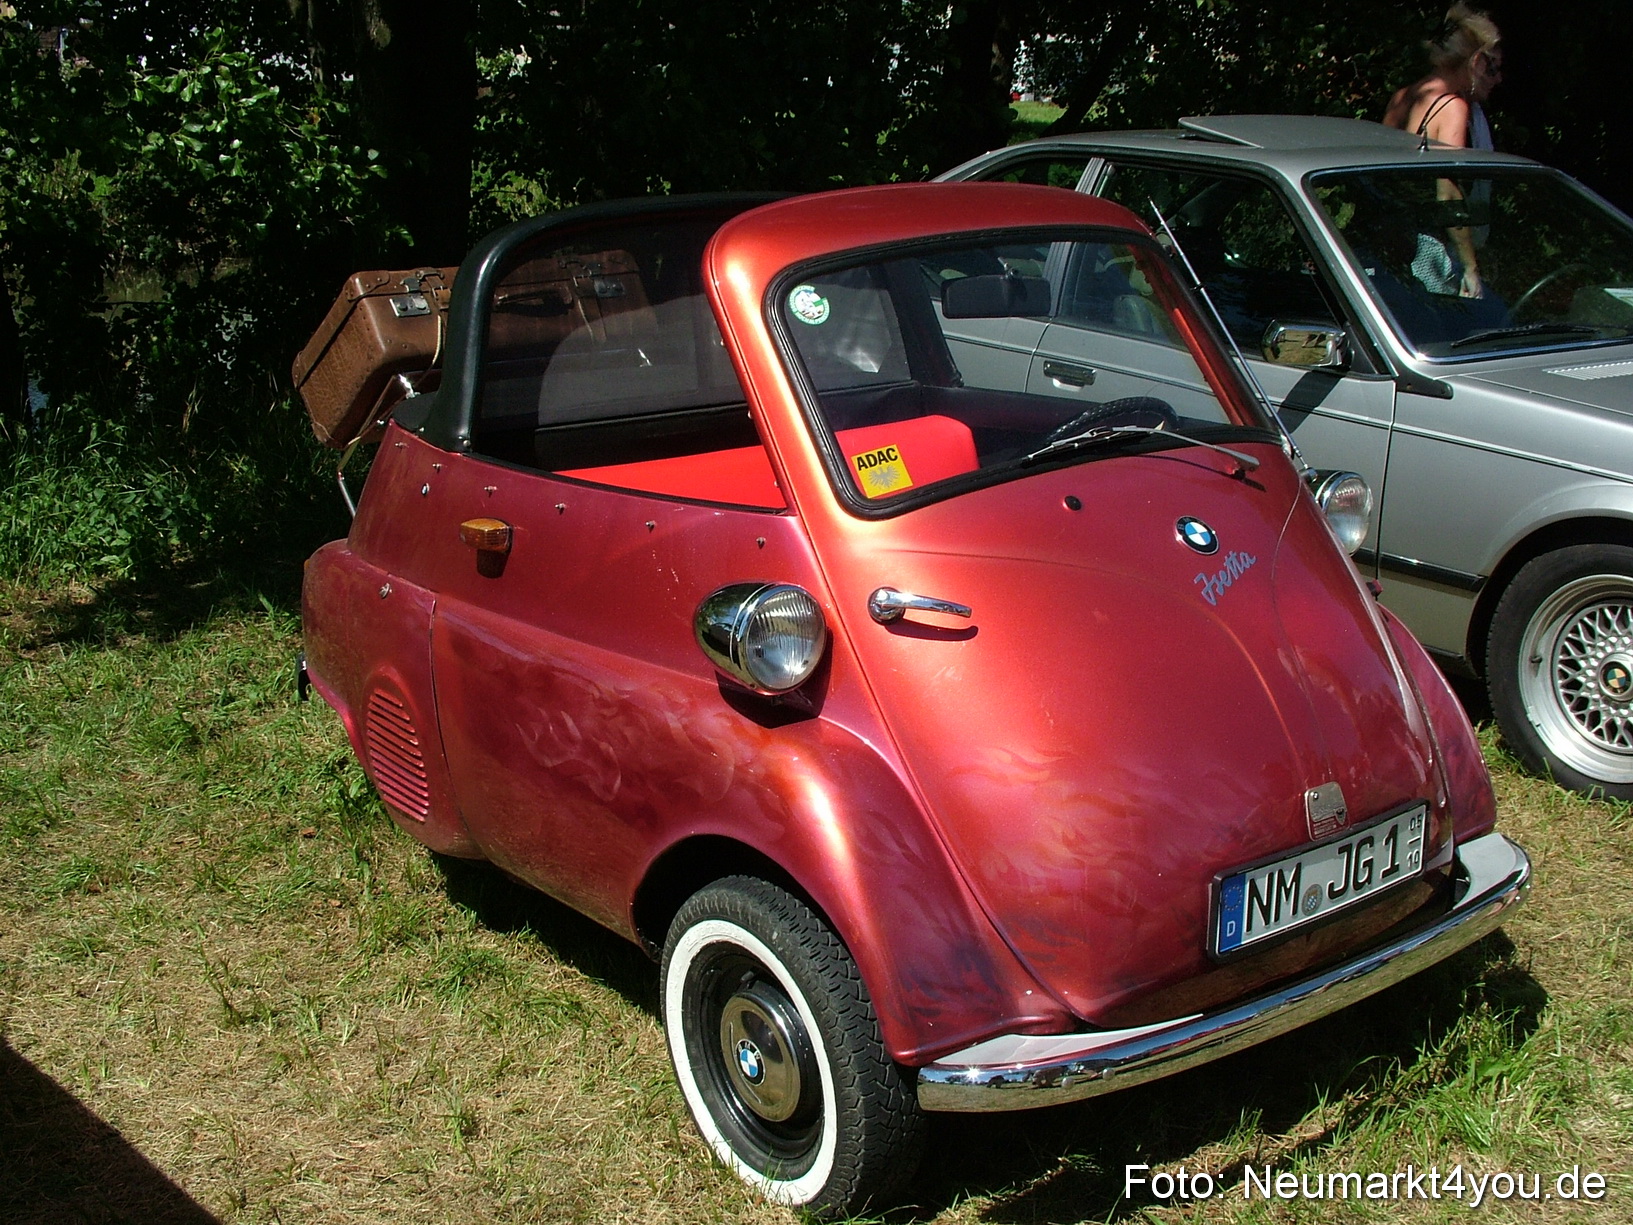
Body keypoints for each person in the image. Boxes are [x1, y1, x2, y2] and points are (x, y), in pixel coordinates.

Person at [1382, 5, 1503, 298]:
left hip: (1391, 249)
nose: (1498, 79)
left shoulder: (1403, 98)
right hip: (1431, 255)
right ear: (1475, 62)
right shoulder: (1452, 108)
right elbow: (1447, 194)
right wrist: (1471, 268)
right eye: (1493, 67)